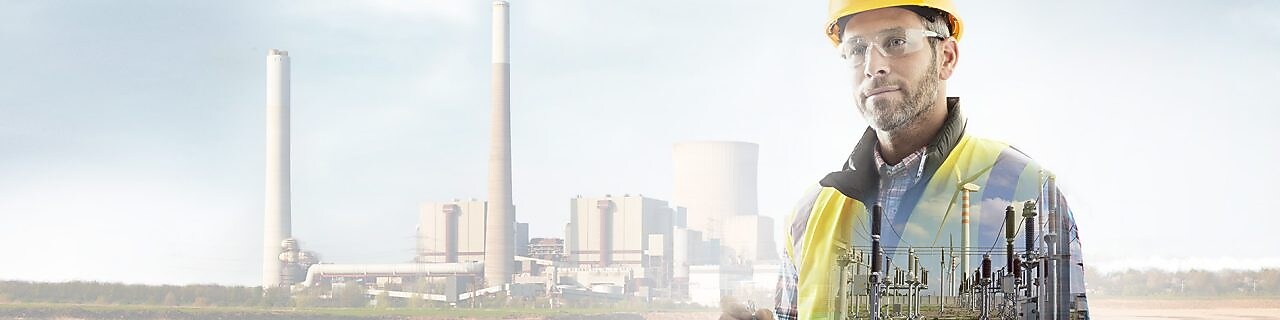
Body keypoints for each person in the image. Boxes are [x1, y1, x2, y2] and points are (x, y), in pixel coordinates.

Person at [721, 1, 1090, 319]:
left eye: (895, 42)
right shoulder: (809, 216)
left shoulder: (1027, 192)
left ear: (946, 57)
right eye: (855, 49)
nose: (872, 66)